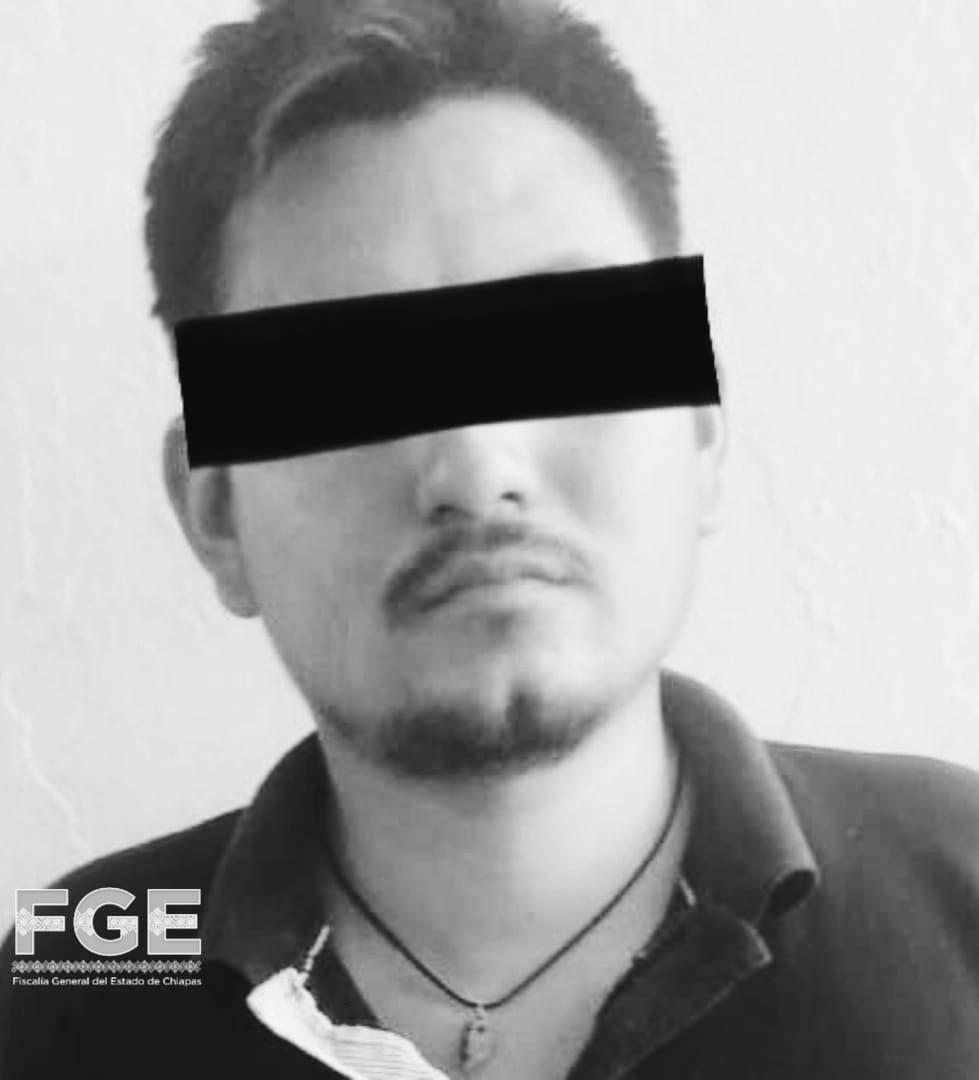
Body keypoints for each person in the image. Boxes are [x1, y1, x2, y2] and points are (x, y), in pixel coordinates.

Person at [3, 1, 979, 1077]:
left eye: (564, 351)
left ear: (701, 434)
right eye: (347, 381)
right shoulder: (67, 977)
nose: (475, 468)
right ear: (215, 511)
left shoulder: (965, 892)